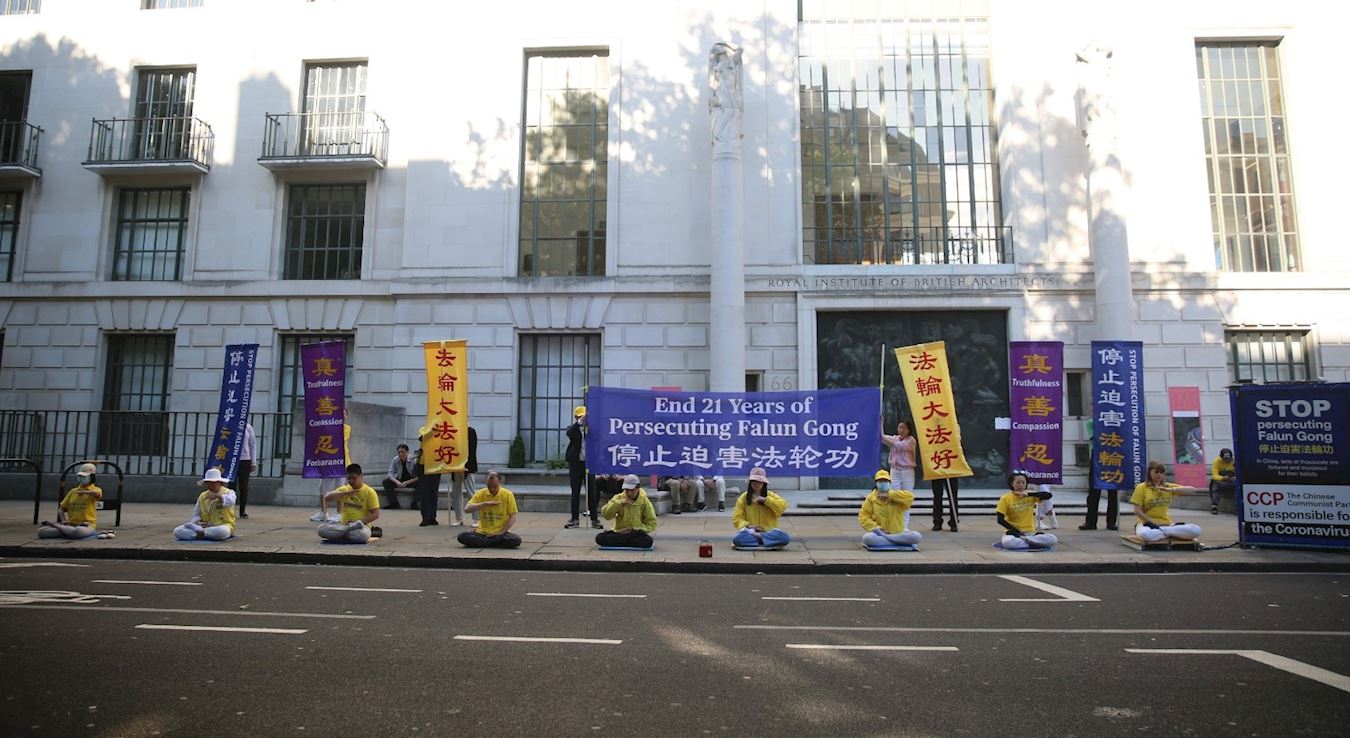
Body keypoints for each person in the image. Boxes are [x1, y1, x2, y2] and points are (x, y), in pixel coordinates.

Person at [1132, 460, 1203, 543]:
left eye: (1162, 472)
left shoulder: (1168, 486)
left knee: (1196, 530)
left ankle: (1163, 532)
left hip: (1166, 524)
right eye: (1156, 472)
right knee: (1146, 534)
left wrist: (1171, 490)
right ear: (1149, 473)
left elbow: (1192, 490)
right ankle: (1171, 533)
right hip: (1146, 524)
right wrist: (1152, 522)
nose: (1159, 475)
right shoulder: (1141, 487)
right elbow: (1137, 511)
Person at [318, 463, 382, 544]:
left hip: (360, 526)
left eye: (354, 478)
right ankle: (346, 531)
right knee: (321, 530)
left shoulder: (370, 492)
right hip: (343, 525)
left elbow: (375, 514)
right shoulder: (345, 489)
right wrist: (345, 493)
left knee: (363, 535)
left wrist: (358, 522)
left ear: (361, 476)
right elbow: (327, 497)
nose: (351, 481)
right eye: (349, 478)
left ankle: (342, 534)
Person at [458, 470, 522, 548]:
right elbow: (467, 509)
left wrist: (501, 532)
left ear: (500, 482)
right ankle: (492, 542)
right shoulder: (481, 493)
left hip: (500, 533)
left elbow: (513, 516)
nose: (492, 489)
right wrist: (484, 504)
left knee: (516, 540)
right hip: (482, 533)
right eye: (489, 486)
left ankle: (486, 542)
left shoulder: (508, 494)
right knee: (462, 536)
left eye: (494, 487)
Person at [859, 469, 922, 548]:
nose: (883, 483)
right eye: (880, 481)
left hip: (898, 532)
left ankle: (888, 541)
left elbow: (910, 497)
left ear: (889, 482)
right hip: (881, 533)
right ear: (876, 483)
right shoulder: (871, 498)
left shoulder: (896, 495)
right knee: (867, 538)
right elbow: (863, 516)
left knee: (916, 536)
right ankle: (897, 542)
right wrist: (876, 527)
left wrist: (890, 495)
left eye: (885, 480)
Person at [38, 463, 102, 540]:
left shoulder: (96, 489)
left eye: (84, 476)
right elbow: (61, 509)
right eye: (80, 476)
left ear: (92, 477)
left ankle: (56, 526)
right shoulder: (73, 491)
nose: (81, 478)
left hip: (87, 525)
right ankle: (65, 529)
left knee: (78, 532)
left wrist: (84, 492)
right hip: (70, 524)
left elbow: (97, 494)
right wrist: (64, 521)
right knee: (42, 532)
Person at [996, 471, 1058, 550]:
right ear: (1012, 484)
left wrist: (1029, 494)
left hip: (1030, 533)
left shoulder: (1030, 496)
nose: (1021, 485)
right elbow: (1000, 520)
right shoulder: (1005, 498)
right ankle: (1033, 543)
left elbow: (1048, 495)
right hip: (1014, 534)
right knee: (1008, 542)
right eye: (1018, 483)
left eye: (1023, 483)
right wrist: (1017, 532)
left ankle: (1027, 541)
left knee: (1053, 539)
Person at [731, 467, 790, 549]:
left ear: (764, 483)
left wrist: (766, 500)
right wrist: (749, 526)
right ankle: (765, 540)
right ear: (750, 483)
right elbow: (736, 518)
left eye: (759, 482)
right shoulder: (744, 497)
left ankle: (760, 539)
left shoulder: (770, 495)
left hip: (769, 532)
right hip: (751, 533)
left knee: (785, 537)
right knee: (737, 539)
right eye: (754, 481)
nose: (756, 484)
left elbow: (783, 506)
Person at [173, 468, 238, 541]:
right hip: (203, 526)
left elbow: (231, 501)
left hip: (222, 525)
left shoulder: (229, 492)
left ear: (219, 482)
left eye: (214, 482)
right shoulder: (202, 496)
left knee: (222, 532)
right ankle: (202, 532)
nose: (212, 485)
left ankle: (200, 534)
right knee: (178, 531)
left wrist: (218, 497)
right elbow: (196, 513)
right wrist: (198, 522)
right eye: (209, 483)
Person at [596, 474, 658, 549]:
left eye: (632, 490)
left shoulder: (644, 501)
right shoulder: (619, 498)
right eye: (627, 490)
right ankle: (626, 542)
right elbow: (606, 515)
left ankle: (623, 542)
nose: (629, 493)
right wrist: (620, 503)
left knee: (647, 541)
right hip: (619, 532)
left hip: (635, 533)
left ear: (638, 488)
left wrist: (636, 529)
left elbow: (652, 523)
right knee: (599, 538)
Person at [309, 414, 351, 523]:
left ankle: (339, 512)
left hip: (341, 462)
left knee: (340, 488)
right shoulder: (326, 427)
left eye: (345, 414)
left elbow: (339, 441)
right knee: (322, 487)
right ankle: (323, 512)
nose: (343, 415)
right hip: (328, 461)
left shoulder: (346, 428)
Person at [564, 406, 600, 529]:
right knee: (575, 492)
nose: (583, 419)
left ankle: (594, 519)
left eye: (584, 417)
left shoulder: (592, 429)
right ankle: (574, 519)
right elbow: (570, 433)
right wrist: (579, 423)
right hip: (576, 464)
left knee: (592, 492)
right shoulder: (573, 429)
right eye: (580, 417)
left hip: (589, 464)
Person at [447, 425, 478, 527]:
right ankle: (459, 518)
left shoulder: (470, 431)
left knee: (471, 492)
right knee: (456, 493)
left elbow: (472, 449)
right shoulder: (453, 431)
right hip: (455, 466)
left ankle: (476, 519)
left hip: (467, 467)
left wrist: (468, 465)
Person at [880, 419, 917, 491]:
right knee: (894, 493)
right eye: (900, 427)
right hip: (895, 470)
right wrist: (880, 422)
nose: (901, 430)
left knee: (906, 494)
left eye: (904, 428)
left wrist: (883, 437)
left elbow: (898, 446)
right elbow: (882, 437)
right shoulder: (895, 438)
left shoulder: (911, 441)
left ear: (909, 430)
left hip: (907, 471)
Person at [382, 443, 419, 510]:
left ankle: (415, 504)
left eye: (403, 452)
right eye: (399, 452)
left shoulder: (414, 460)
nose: (401, 454)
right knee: (386, 482)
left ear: (407, 452)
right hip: (400, 480)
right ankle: (394, 504)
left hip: (411, 481)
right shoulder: (395, 459)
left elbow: (418, 477)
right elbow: (390, 474)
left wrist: (406, 483)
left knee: (422, 482)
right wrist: (397, 482)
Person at [236, 421, 257, 519]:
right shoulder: (229, 425)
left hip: (245, 459)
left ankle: (242, 510)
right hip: (232, 459)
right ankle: (229, 509)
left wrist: (253, 462)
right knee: (231, 486)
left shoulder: (248, 427)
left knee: (243, 487)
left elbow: (252, 444)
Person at [1210, 448, 1236, 515]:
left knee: (1237, 486)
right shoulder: (1216, 461)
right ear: (1221, 458)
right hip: (1221, 479)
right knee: (1219, 487)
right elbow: (1214, 475)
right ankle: (1214, 505)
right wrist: (1223, 478)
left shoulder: (1235, 461)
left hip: (1232, 478)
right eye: (1225, 459)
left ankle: (1238, 507)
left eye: (1229, 459)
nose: (1227, 461)